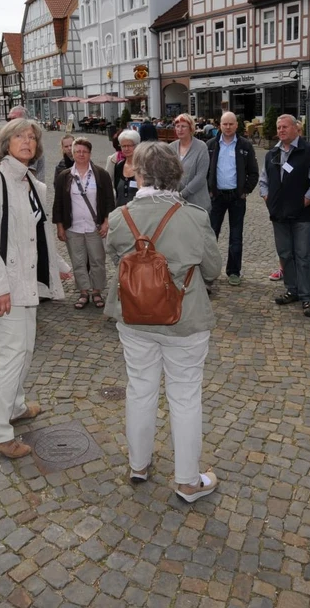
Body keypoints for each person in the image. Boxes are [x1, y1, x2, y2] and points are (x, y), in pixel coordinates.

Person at [104, 142, 222, 502]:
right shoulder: (195, 216)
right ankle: (187, 480)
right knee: (185, 396)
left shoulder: (119, 217)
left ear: (138, 174)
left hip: (135, 317)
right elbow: (214, 270)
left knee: (140, 389)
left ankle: (139, 465)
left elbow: (117, 263)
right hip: (184, 317)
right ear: (177, 175)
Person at [0, 119, 71, 459]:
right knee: (11, 354)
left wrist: (59, 268)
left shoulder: (30, 181)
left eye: (32, 136)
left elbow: (39, 234)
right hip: (8, 286)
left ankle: (14, 407)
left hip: (28, 283)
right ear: (4, 143)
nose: (27, 141)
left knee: (25, 350)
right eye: (19, 136)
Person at [259, 115, 310, 318]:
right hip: (278, 215)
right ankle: (292, 290)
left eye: (285, 126)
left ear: (297, 128)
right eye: (278, 127)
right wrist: (268, 200)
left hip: (302, 215)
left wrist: (300, 204)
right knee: (285, 254)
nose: (281, 130)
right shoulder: (272, 153)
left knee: (303, 255)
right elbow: (263, 182)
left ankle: (307, 297)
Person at [53, 136, 115, 310]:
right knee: (78, 261)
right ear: (72, 153)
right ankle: (83, 291)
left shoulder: (100, 174)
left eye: (84, 151)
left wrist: (106, 222)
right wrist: (59, 226)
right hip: (73, 227)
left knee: (97, 260)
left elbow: (110, 201)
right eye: (77, 151)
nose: (81, 154)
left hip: (94, 226)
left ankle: (96, 291)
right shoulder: (65, 176)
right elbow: (58, 203)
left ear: (90, 153)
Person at [205, 111, 259, 286]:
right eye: (224, 124)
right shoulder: (211, 145)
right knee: (212, 234)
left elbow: (254, 172)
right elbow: (205, 171)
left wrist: (245, 190)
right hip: (217, 196)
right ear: (219, 125)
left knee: (236, 236)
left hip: (237, 197)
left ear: (237, 125)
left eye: (231, 124)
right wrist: (210, 190)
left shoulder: (245, 145)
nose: (227, 127)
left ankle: (234, 271)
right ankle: (209, 271)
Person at [172, 113, 210, 211]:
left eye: (183, 126)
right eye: (177, 126)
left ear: (191, 128)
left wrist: (182, 194)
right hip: (175, 203)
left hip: (197, 202)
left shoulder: (201, 147)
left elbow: (201, 177)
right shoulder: (170, 147)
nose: (180, 129)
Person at [7, 106, 45, 182]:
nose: (11, 121)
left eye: (14, 118)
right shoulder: (7, 138)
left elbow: (32, 173)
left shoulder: (31, 142)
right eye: (9, 119)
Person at [113, 129, 141, 205]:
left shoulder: (143, 166)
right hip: (120, 212)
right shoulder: (119, 165)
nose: (126, 149)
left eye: (129, 145)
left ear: (137, 145)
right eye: (123, 146)